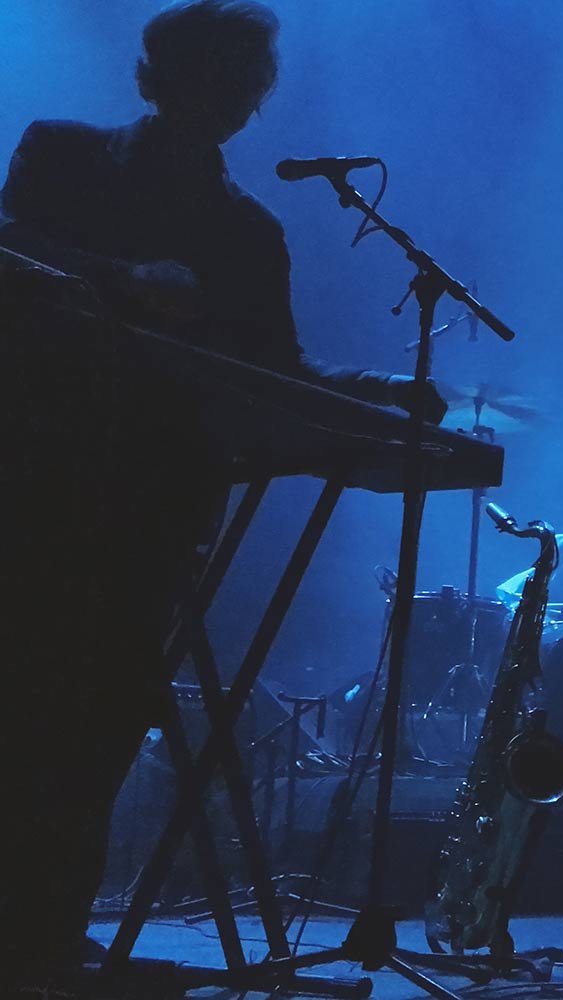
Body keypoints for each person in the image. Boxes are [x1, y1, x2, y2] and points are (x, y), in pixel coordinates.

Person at [0, 1, 443, 982]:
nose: (238, 99)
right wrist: (124, 278)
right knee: (21, 702)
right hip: (33, 476)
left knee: (104, 719)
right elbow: (11, 250)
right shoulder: (62, 154)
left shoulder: (248, 231)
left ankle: (45, 936)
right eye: (219, 76)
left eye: (248, 83)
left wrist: (379, 393)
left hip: (153, 504)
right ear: (158, 77)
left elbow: (277, 371)